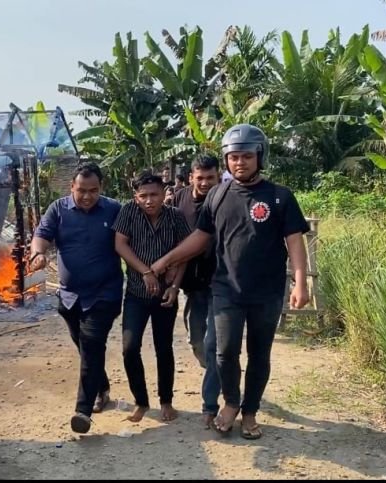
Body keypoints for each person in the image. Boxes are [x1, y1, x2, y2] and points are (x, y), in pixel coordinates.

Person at [151, 124, 310, 440]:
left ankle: (250, 412)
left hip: (267, 290)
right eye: (234, 157)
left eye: (247, 156)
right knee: (223, 352)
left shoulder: (279, 197)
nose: (240, 162)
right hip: (225, 289)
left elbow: (294, 241)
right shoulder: (218, 195)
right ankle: (231, 403)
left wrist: (301, 282)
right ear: (226, 160)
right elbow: (200, 237)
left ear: (259, 156)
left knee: (259, 353)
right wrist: (167, 260)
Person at [30, 163, 124, 434]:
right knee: (85, 347)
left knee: (92, 342)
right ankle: (102, 387)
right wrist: (38, 254)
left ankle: (83, 411)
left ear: (101, 188)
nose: (86, 196)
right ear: (71, 187)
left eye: (93, 191)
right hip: (70, 296)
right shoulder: (58, 209)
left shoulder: (114, 209)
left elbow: (128, 240)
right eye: (81, 190)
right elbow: (42, 236)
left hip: (105, 292)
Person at [112, 171, 192, 423]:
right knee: (129, 347)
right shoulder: (128, 212)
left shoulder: (175, 217)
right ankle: (141, 401)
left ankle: (166, 401)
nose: (149, 200)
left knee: (164, 347)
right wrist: (145, 271)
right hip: (136, 293)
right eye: (143, 196)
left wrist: (175, 286)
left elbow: (185, 253)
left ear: (164, 194)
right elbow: (120, 245)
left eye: (154, 194)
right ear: (135, 197)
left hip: (165, 295)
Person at [171, 154, 222, 428]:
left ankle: (209, 404)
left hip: (220, 283)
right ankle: (217, 372)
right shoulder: (179, 199)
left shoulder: (226, 197)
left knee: (214, 344)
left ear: (218, 176)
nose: (204, 183)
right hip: (191, 284)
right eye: (199, 177)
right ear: (191, 176)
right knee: (196, 341)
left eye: (210, 177)